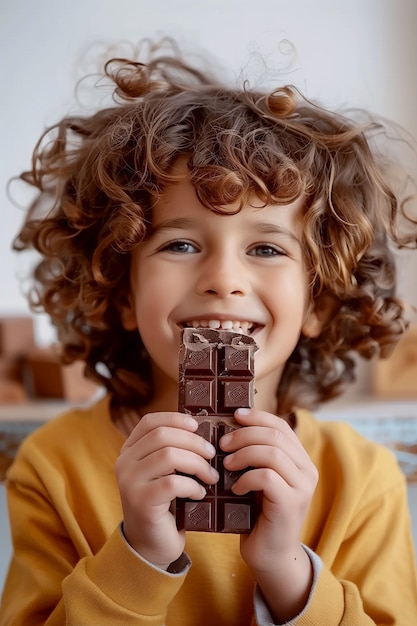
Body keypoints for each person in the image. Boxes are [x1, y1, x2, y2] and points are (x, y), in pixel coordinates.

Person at [1, 38, 417, 626]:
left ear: (318, 301)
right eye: (181, 243)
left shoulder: (364, 481)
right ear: (122, 292)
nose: (223, 279)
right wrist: (138, 556)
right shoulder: (54, 467)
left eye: (267, 247)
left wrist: (285, 568)